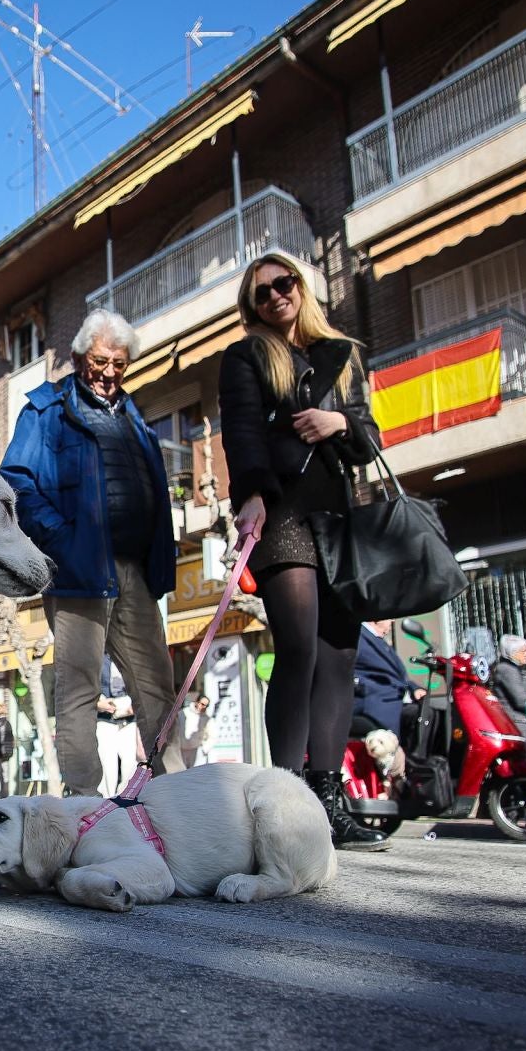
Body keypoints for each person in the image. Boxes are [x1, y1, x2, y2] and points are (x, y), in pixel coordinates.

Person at [217, 252, 390, 851]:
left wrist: (337, 423)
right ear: (252, 308)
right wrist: (251, 498)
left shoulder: (343, 354)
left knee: (340, 656)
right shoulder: (246, 356)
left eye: (282, 285)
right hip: (283, 511)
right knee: (297, 651)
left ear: (302, 287)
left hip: (339, 515)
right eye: (260, 295)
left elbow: (369, 439)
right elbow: (239, 431)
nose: (274, 298)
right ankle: (287, 804)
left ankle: (329, 800)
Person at [0, 307, 183, 797]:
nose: (108, 371)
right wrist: (61, 539)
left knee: (157, 689)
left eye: (119, 363)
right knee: (80, 689)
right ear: (80, 356)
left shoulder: (135, 416)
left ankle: (180, 799)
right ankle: (82, 805)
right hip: (80, 570)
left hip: (136, 573)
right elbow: (16, 481)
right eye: (100, 360)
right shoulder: (46, 409)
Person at [351, 620, 411, 739]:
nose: (392, 621)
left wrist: (415, 688)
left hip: (395, 697)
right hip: (375, 698)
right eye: (389, 618)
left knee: (428, 713)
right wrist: (369, 688)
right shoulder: (357, 635)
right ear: (377, 620)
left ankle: (417, 755)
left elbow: (396, 675)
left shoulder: (380, 641)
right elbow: (346, 668)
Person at [94, 656, 137, 796]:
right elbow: (87, 687)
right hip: (105, 718)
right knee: (107, 767)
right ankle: (107, 802)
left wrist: (135, 705)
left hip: (129, 719)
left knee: (130, 764)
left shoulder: (128, 655)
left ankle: (127, 799)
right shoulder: (98, 656)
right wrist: (99, 704)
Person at [490, 635, 526, 734]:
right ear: (513, 653)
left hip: (524, 718)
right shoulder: (507, 670)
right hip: (518, 722)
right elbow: (521, 700)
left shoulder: (514, 669)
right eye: (523, 651)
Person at [177, 694, 214, 768]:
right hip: (182, 750)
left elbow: (212, 736)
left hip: (197, 751)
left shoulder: (207, 719)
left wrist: (204, 750)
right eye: (203, 704)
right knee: (182, 774)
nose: (204, 707)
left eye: (206, 706)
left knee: (197, 775)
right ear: (197, 701)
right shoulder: (183, 713)